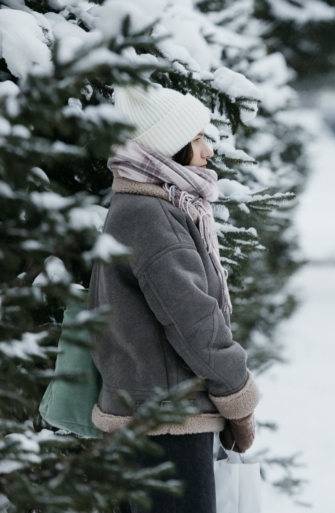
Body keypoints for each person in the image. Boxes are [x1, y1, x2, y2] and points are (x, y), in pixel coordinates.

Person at [89, 85, 260, 513]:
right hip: (168, 429)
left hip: (149, 417)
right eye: (198, 139)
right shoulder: (153, 216)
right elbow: (194, 322)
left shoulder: (140, 205)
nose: (207, 152)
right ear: (169, 148)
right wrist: (239, 400)